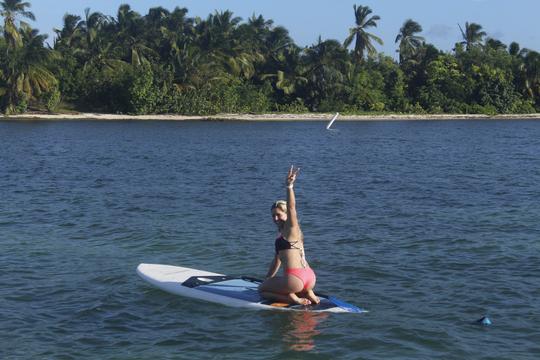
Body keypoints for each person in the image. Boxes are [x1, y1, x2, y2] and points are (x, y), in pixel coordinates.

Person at [259, 166, 320, 306]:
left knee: (262, 290)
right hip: (309, 277)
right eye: (273, 215)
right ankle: (309, 293)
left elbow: (292, 207)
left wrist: (289, 186)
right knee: (273, 283)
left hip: (295, 278)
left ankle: (294, 299)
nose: (275, 218)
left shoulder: (291, 228)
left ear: (286, 215)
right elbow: (277, 261)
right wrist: (268, 278)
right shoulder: (289, 234)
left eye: (278, 214)